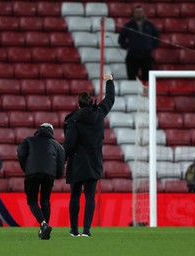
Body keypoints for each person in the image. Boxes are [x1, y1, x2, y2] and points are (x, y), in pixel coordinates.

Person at [64, 74, 115, 236]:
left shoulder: (73, 120)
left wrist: (64, 159)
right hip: (94, 161)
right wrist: (109, 81)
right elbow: (110, 98)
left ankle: (74, 230)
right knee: (90, 197)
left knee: (75, 196)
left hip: (78, 161)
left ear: (78, 105)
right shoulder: (99, 113)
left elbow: (70, 144)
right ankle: (86, 230)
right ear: (91, 102)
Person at [17, 123, 65, 240]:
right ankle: (44, 228)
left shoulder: (28, 141)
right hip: (49, 174)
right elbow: (61, 163)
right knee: (45, 200)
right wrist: (56, 176)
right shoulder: (57, 145)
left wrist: (26, 168)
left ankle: (43, 224)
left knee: (32, 200)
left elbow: (21, 154)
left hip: (32, 173)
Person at [118, 5, 159, 81]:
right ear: (133, 13)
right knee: (131, 78)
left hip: (146, 56)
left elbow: (157, 37)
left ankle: (147, 93)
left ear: (143, 13)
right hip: (132, 56)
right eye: (137, 12)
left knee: (147, 79)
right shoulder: (129, 25)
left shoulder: (150, 25)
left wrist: (151, 47)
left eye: (140, 12)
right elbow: (121, 39)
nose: (139, 14)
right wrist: (128, 46)